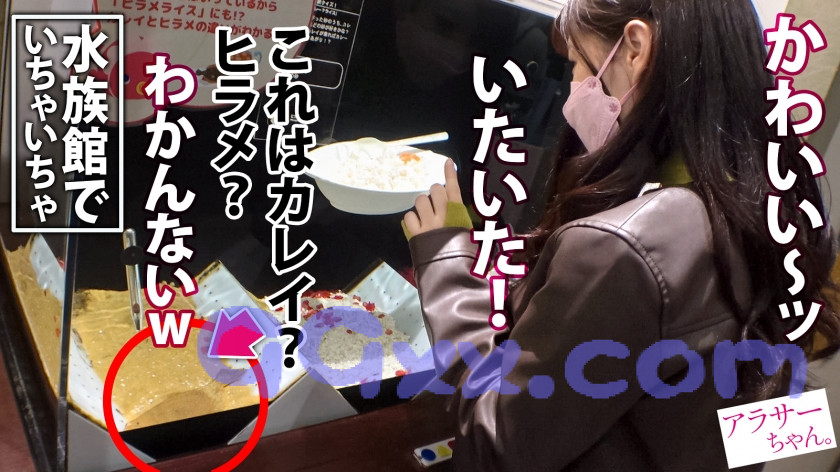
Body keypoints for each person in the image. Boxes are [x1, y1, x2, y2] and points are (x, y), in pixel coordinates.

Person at [402, 0, 840, 470]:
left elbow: (494, 447)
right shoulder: (775, 208)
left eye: (577, 64)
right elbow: (769, 426)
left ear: (635, 48)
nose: (572, 89)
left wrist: (447, 257)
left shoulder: (621, 247)